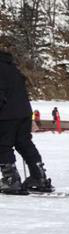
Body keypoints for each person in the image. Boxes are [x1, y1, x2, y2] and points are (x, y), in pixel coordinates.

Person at [0, 50, 53, 193]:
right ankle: (39, 176)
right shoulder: (13, 68)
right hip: (24, 112)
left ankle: (11, 180)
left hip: (7, 114)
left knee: (3, 145)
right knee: (24, 143)